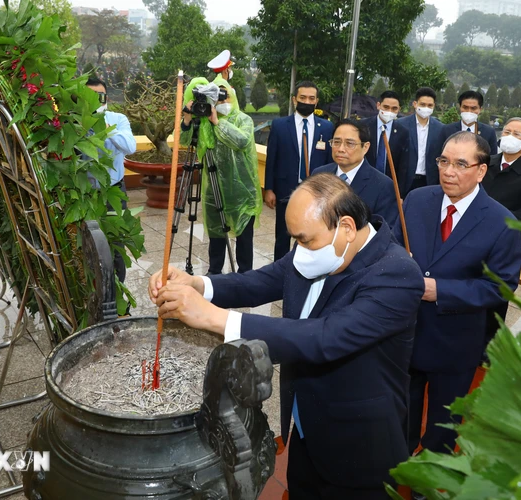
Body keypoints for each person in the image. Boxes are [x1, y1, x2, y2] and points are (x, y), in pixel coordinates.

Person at [149, 174, 425, 498]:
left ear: (347, 227)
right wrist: (200, 285)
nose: (300, 251)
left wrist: (214, 318)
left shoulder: (396, 274)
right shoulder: (318, 249)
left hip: (358, 443)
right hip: (307, 429)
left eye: (305, 240)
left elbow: (325, 338)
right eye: (295, 240)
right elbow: (259, 282)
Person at [394, 131, 521, 455]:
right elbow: (392, 248)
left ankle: (429, 477)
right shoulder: (417, 199)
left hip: (455, 342)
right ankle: (399, 463)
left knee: (443, 423)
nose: (449, 171)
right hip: (405, 334)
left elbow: (501, 286)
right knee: (400, 413)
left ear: (481, 170)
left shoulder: (503, 221)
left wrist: (440, 291)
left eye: (461, 164)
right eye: (444, 161)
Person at [180, 77, 262, 275]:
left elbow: (241, 141)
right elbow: (185, 141)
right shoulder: (205, 121)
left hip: (243, 189)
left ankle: (245, 275)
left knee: (244, 236)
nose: (222, 103)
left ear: (232, 97)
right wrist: (187, 120)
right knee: (216, 232)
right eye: (217, 98)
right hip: (214, 186)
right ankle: (215, 272)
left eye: (225, 97)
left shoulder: (244, 120)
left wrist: (217, 123)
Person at [480, 117, 521, 355]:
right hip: (474, 235)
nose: (510, 137)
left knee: (497, 290)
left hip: (506, 241)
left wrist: (500, 218)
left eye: (517, 134)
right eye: (507, 131)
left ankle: (490, 345)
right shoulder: (486, 164)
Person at [264, 80, 334, 261]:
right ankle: (279, 272)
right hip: (286, 190)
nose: (307, 101)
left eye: (311, 98)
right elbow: (272, 158)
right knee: (283, 235)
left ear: (317, 101)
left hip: (316, 193)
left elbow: (329, 161)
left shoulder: (326, 128)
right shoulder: (280, 125)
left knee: (313, 235)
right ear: (294, 99)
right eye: (303, 97)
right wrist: (269, 189)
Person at [86, 76, 137, 283]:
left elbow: (130, 147)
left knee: (115, 245)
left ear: (106, 98)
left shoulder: (118, 119)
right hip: (85, 193)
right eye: (89, 97)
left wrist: (105, 128)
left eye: (100, 97)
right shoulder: (71, 121)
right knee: (86, 244)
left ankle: (118, 297)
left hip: (113, 191)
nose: (95, 101)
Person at [312, 118, 398, 225]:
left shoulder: (383, 185)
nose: (341, 149)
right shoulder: (319, 175)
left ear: (365, 147)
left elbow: (384, 230)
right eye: (336, 142)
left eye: (349, 144)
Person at [396, 87, 445, 197]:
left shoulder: (440, 129)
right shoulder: (401, 125)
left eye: (429, 106)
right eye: (422, 105)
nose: (426, 108)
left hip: (428, 181)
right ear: (415, 104)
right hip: (405, 181)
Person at [360, 90, 409, 177]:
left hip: (388, 182)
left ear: (399, 109)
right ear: (378, 105)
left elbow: (403, 165)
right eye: (386, 107)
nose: (389, 111)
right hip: (363, 177)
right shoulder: (363, 126)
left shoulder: (403, 132)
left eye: (394, 108)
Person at [441, 90, 498, 155]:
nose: (469, 111)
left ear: (480, 109)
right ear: (460, 107)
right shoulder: (447, 130)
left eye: (473, 108)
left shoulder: (489, 132)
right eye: (465, 107)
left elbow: (493, 158)